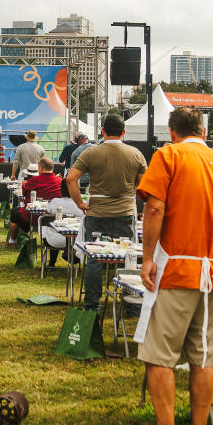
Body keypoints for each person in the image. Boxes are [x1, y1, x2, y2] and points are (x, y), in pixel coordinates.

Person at [132, 106, 213, 425]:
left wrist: (147, 258)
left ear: (171, 131)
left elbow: (154, 208)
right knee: (203, 358)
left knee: (159, 357)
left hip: (178, 270)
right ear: (206, 131)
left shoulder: (169, 155)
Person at [65, 114, 147, 310]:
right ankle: (131, 305)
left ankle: (92, 305)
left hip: (97, 213)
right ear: (124, 133)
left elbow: (70, 179)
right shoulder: (136, 154)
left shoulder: (91, 153)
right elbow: (144, 185)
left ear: (103, 131)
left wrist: (79, 203)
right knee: (128, 258)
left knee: (94, 258)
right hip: (126, 213)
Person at [11, 157, 61, 238]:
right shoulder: (60, 181)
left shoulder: (34, 180)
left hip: (33, 216)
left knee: (14, 213)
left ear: (40, 168)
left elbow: (23, 193)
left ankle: (12, 240)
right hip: (54, 216)